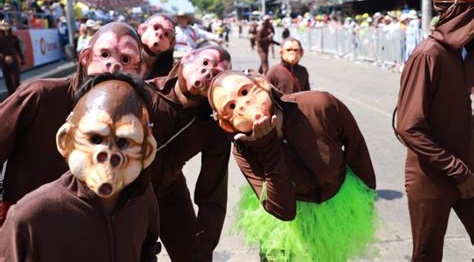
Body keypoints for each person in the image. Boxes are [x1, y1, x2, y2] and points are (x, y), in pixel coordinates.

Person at [208, 70, 377, 261]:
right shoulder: (243, 149)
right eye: (231, 106)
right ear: (226, 124)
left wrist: (367, 196)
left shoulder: (320, 104)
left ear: (261, 84)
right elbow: (284, 211)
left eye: (245, 92)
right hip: (288, 217)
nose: (243, 104)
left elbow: (357, 150)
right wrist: (267, 147)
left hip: (336, 203)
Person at [0, 74, 160, 262]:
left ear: (146, 152)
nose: (108, 154)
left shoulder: (142, 199)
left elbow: (147, 252)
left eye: (123, 142)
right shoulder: (32, 214)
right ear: (66, 141)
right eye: (96, 139)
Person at [0, 22, 145, 226]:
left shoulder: (136, 116)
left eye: (126, 59)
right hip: (26, 228)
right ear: (85, 58)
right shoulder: (39, 96)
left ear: (139, 70)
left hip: (90, 229)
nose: (114, 65)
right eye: (104, 55)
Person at [395, 0, 474, 261]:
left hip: (467, 169)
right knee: (427, 255)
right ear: (462, 13)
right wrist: (458, 170)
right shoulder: (427, 56)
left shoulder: (461, 54)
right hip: (433, 177)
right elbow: (408, 127)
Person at [146, 46, 232, 261]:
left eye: (216, 74)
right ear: (187, 59)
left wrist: (204, 243)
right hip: (124, 195)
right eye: (204, 63)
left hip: (169, 191)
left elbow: (213, 193)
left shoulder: (215, 127)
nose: (207, 73)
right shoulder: (143, 94)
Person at [138, 13, 176, 78]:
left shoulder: (167, 76)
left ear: (171, 44)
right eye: (156, 28)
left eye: (166, 34)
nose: (160, 34)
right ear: (143, 29)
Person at [0, 20, 24, 95]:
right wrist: (4, 58)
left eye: (6, 24)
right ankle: (12, 99)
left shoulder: (14, 37)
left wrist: (22, 59)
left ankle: (19, 97)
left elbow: (18, 49)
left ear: (9, 26)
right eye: (3, 24)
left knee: (16, 81)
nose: (5, 26)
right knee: (8, 82)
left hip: (14, 60)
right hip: (4, 62)